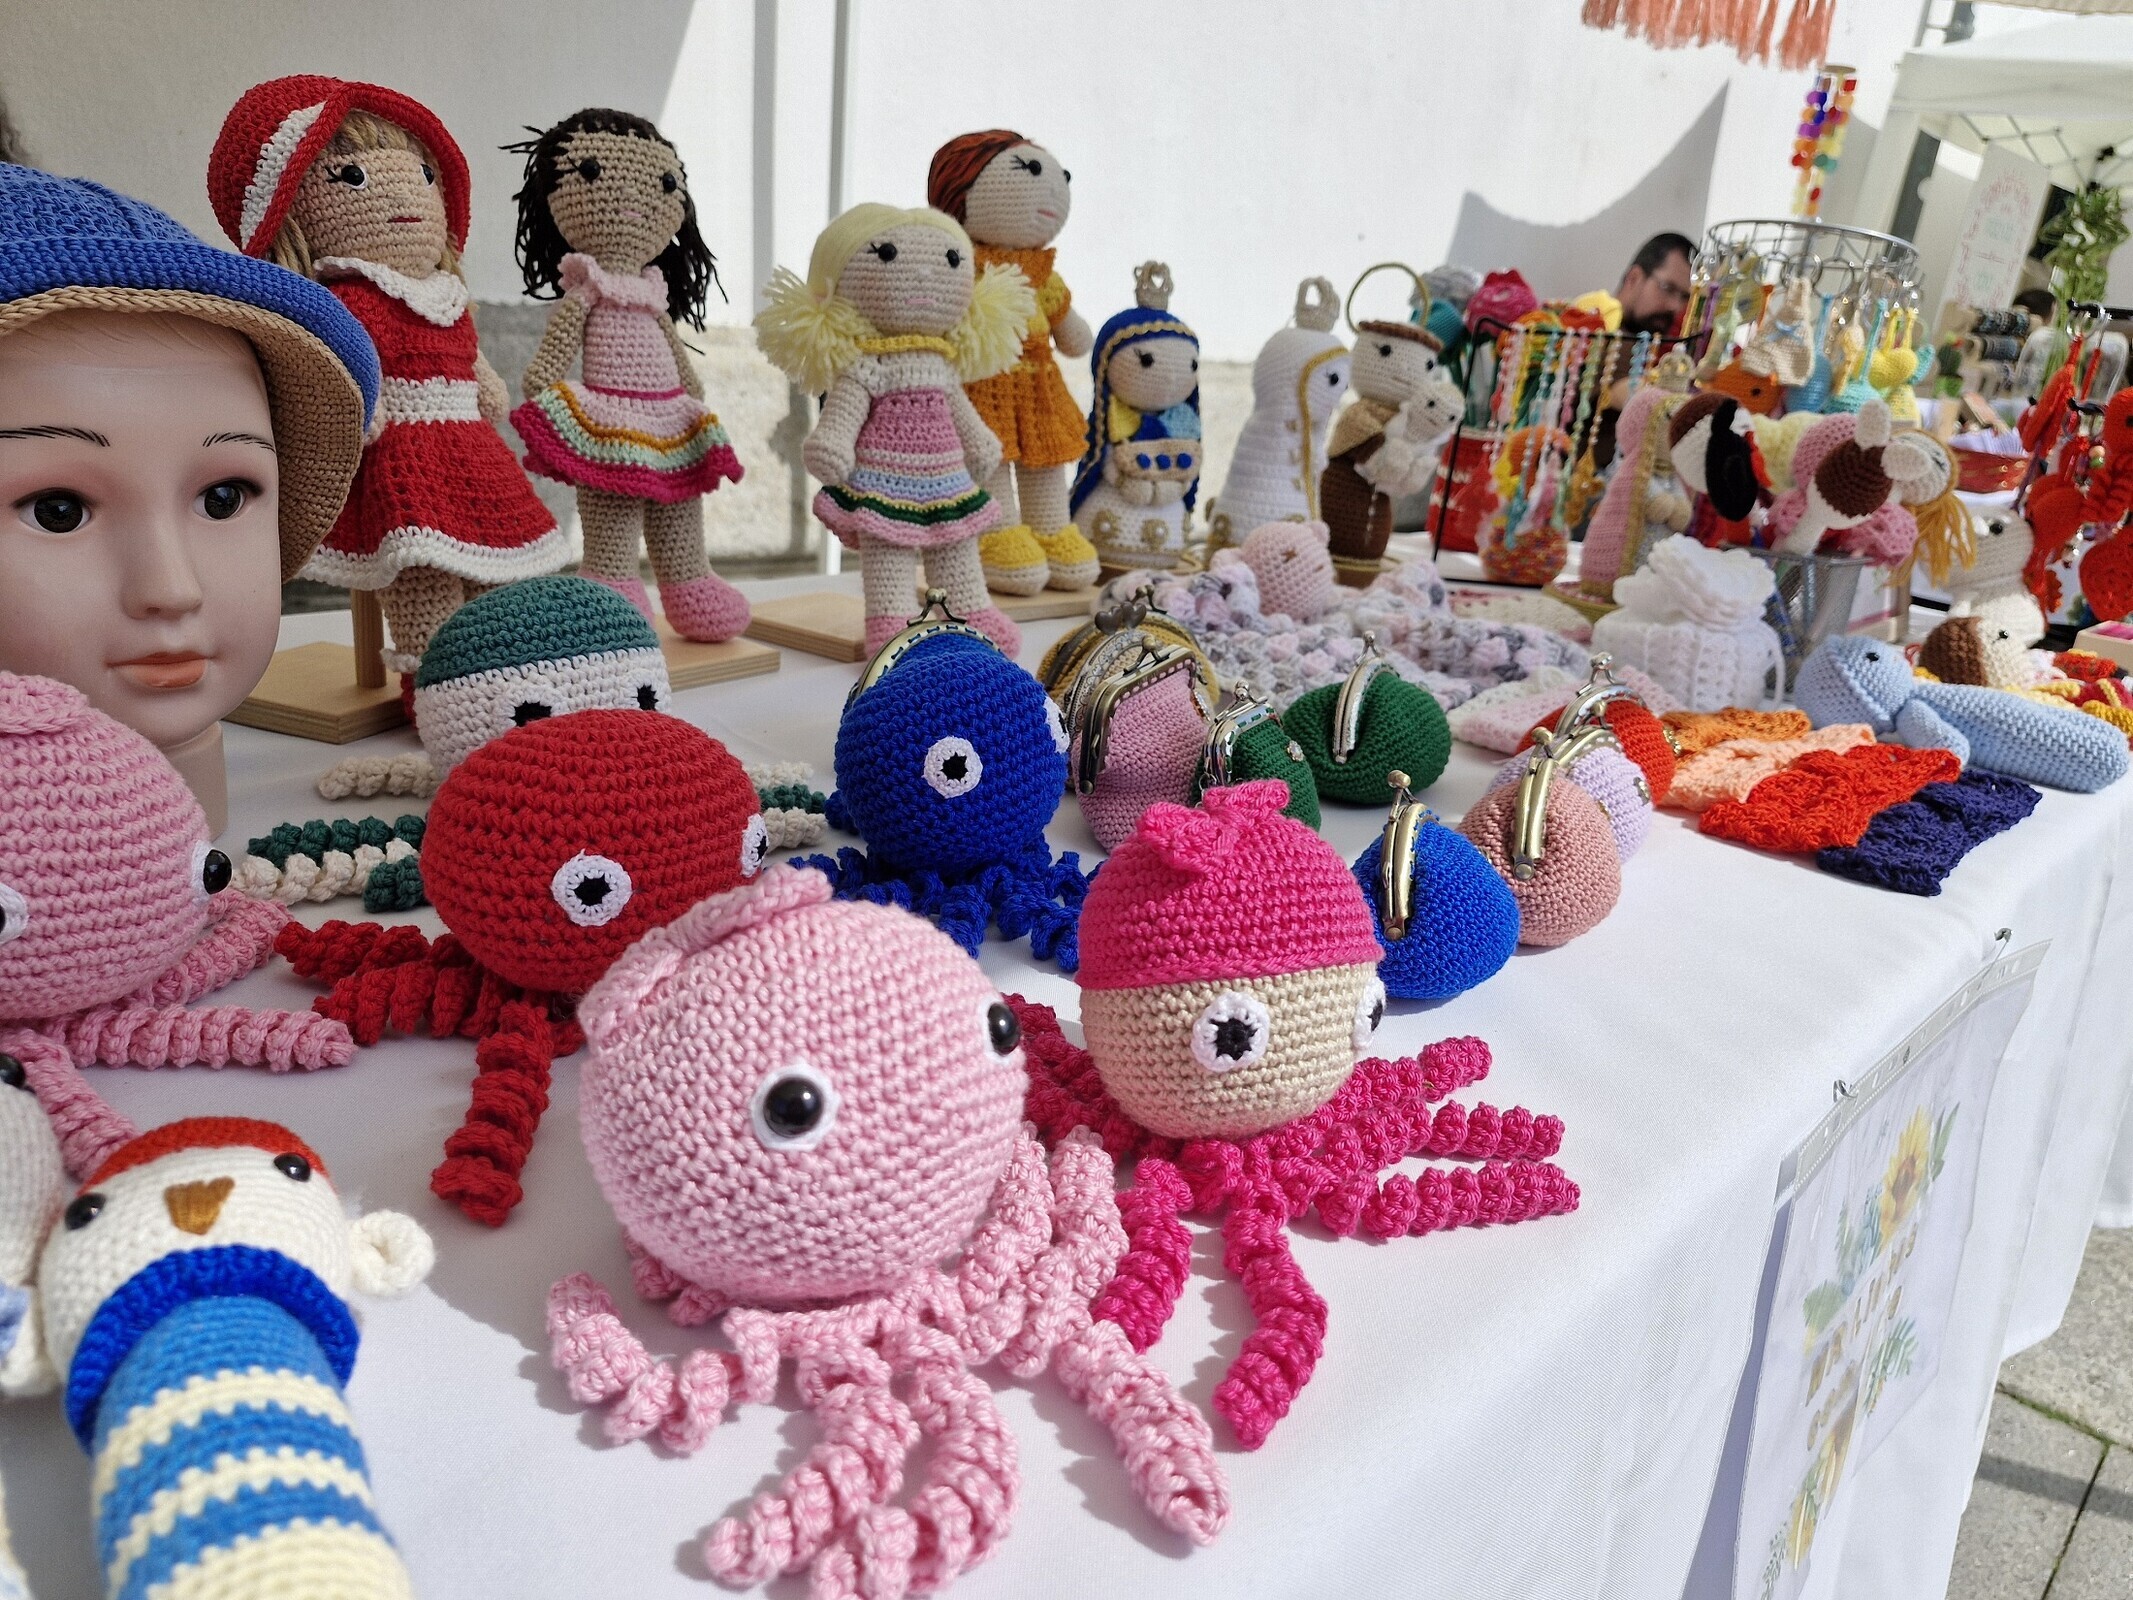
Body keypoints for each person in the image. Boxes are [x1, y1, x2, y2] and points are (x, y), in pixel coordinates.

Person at [1617, 231, 1695, 337]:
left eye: (1685, 297)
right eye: (1668, 288)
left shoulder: (1676, 344)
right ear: (1633, 278)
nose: (1676, 306)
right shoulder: (1593, 332)